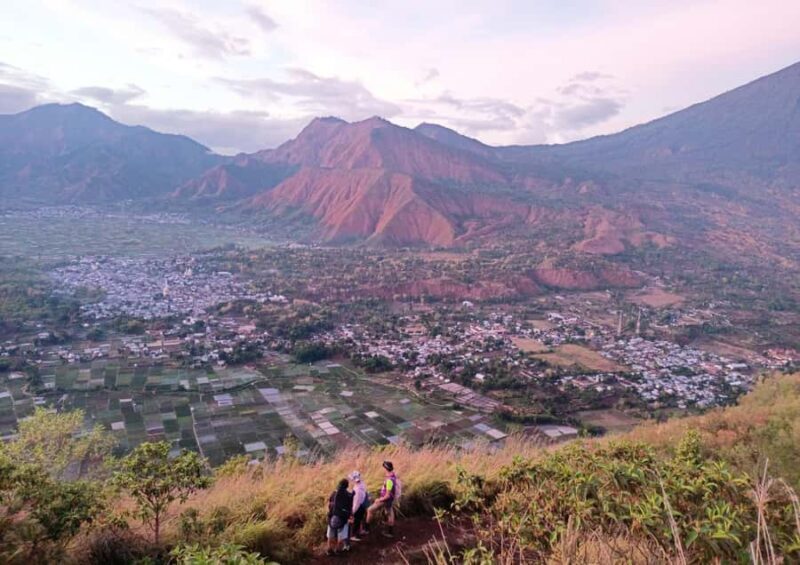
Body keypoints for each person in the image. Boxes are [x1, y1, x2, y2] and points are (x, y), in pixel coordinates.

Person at [366, 460, 400, 538]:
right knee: (390, 513)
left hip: (385, 500)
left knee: (370, 510)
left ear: (385, 469)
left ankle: (367, 529)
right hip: (390, 500)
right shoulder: (393, 476)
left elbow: (387, 495)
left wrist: (379, 500)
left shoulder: (389, 481)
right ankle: (390, 532)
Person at [326, 478, 353, 556]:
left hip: (332, 517)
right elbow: (349, 508)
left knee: (330, 535)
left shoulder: (334, 493)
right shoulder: (348, 495)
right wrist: (350, 517)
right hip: (343, 518)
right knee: (341, 535)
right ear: (347, 486)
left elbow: (329, 504)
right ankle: (338, 550)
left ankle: (329, 550)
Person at [349, 470, 369, 541]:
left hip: (359, 507)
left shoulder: (357, 489)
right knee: (360, 519)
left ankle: (353, 535)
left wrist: (352, 511)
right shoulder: (362, 484)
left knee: (356, 521)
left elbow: (357, 502)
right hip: (363, 505)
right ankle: (360, 530)